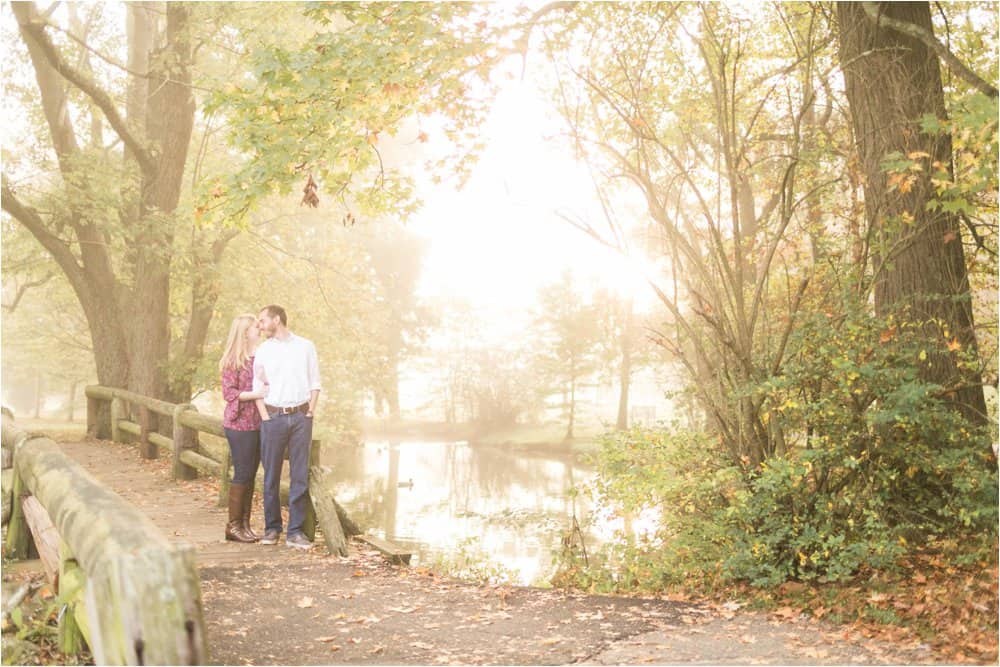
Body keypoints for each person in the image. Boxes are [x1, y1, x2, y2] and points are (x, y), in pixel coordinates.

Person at [253, 304, 321, 549]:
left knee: (299, 475)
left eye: (263, 320)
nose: (260, 325)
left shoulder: (305, 346)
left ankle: (295, 532)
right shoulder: (263, 350)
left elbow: (315, 382)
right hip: (273, 417)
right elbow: (257, 386)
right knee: (270, 475)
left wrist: (310, 412)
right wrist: (265, 417)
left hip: (301, 416)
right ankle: (272, 529)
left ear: (277, 319)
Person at [219, 314, 269, 543]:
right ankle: (233, 526)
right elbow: (229, 393)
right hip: (239, 423)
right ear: (243, 332)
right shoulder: (232, 361)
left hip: (258, 422)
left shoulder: (260, 356)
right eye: (253, 327)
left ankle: (245, 525)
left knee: (250, 474)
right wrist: (256, 395)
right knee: (242, 472)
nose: (258, 329)